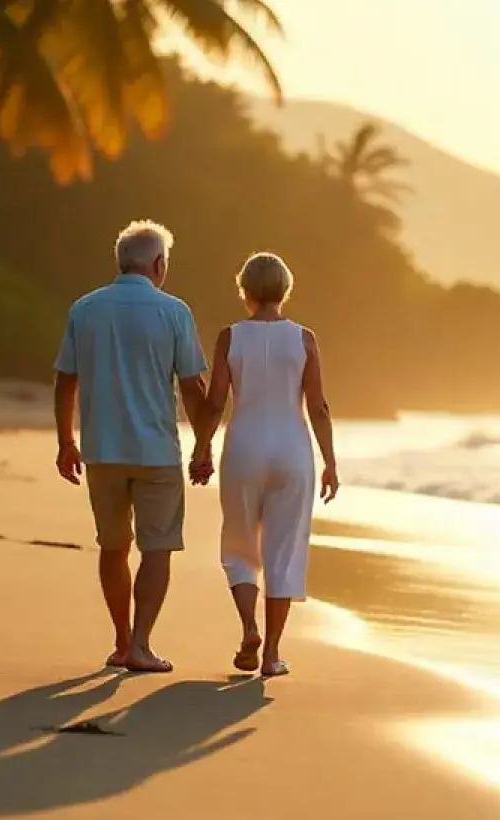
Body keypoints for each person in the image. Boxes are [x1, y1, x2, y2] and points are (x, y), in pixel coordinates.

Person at [53, 220, 209, 674]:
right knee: (157, 548)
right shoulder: (174, 311)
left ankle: (122, 641)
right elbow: (193, 387)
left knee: (113, 546)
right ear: (158, 264)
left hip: (102, 450)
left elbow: (65, 381)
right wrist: (203, 445)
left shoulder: (85, 308)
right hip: (156, 452)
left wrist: (66, 442)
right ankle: (141, 644)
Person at [190, 252, 339, 678]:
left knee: (240, 544)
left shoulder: (231, 337)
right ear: (285, 290)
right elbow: (318, 407)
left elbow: (215, 402)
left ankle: (249, 629)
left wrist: (202, 448)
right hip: (292, 451)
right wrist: (330, 462)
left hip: (244, 448)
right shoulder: (305, 339)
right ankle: (272, 654)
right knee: (284, 550)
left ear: (246, 291)